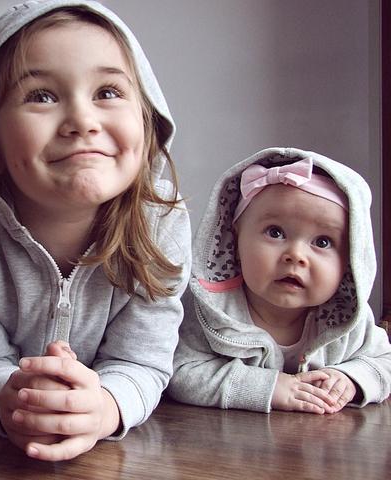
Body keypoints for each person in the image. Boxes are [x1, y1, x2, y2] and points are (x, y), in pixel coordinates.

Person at [0, 0, 191, 461]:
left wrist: (104, 408)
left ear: (147, 121)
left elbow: (142, 361)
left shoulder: (161, 220)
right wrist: (11, 401)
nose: (83, 121)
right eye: (41, 96)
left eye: (108, 91)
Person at [168, 147, 391, 414]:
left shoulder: (348, 320)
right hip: (230, 437)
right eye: (275, 232)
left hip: (319, 437)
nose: (296, 255)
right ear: (234, 240)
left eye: (322, 242)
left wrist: (351, 379)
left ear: (350, 261)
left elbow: (384, 361)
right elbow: (180, 370)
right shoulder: (211, 308)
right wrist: (268, 387)